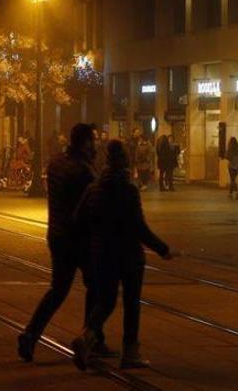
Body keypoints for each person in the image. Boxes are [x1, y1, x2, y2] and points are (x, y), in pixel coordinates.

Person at [71, 140, 173, 370]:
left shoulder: (93, 188)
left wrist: (91, 242)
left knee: (105, 301)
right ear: (126, 163)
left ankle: (86, 337)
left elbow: (78, 220)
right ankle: (130, 352)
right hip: (129, 256)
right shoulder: (128, 190)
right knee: (131, 303)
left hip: (102, 254)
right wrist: (163, 249)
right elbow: (139, 227)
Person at [18, 124, 115, 362]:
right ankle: (91, 337)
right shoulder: (83, 171)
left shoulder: (56, 163)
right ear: (84, 143)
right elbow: (93, 206)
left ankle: (30, 335)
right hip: (80, 238)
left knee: (58, 290)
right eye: (92, 141)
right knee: (97, 287)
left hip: (57, 235)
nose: (95, 145)